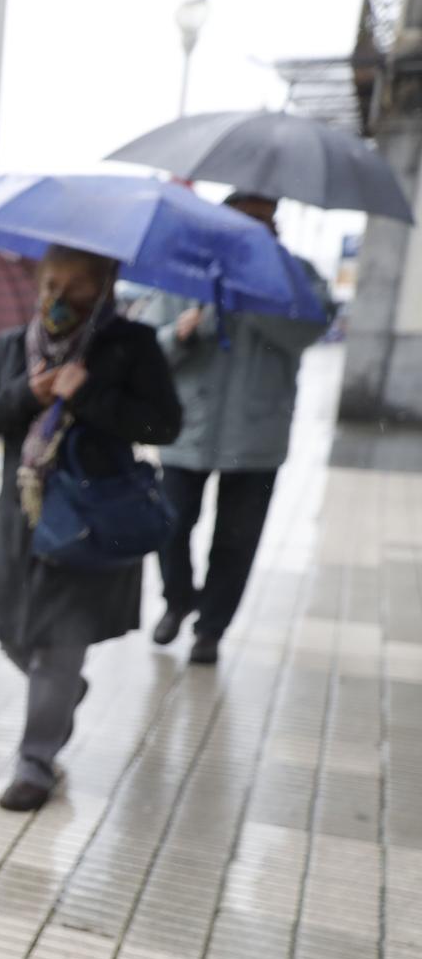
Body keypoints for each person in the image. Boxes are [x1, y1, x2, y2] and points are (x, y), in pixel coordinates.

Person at [0, 245, 182, 812]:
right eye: (50, 283)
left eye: (75, 287)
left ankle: (35, 760)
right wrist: (27, 394)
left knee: (58, 645)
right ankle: (61, 694)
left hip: (87, 523)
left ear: (105, 286)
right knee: (11, 634)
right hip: (18, 524)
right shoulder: (10, 348)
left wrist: (90, 393)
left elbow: (165, 424)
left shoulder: (131, 346)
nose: (57, 299)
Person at [134, 193, 335, 665]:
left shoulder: (296, 276)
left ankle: (211, 629)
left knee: (237, 539)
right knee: (170, 524)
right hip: (187, 428)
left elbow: (308, 332)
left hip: (257, 434)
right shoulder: (189, 272)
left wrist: (251, 301)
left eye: (265, 222)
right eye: (244, 220)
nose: (255, 229)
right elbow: (150, 349)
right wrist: (182, 333)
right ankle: (177, 599)